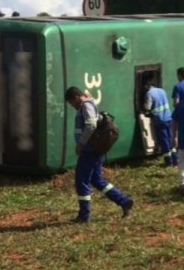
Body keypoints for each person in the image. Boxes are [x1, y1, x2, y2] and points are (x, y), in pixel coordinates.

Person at [65, 87, 134, 222]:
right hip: (94, 149)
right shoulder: (89, 104)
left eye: (71, 102)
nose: (72, 106)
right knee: (96, 180)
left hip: (89, 151)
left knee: (81, 181)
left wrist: (81, 144)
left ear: (76, 97)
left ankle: (84, 216)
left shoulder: (86, 106)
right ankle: (124, 201)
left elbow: (91, 125)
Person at [142, 74, 176, 166]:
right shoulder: (162, 90)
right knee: (170, 138)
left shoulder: (149, 94)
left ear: (146, 85)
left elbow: (147, 108)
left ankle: (169, 161)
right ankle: (175, 158)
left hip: (159, 120)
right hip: (168, 117)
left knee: (164, 140)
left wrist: (145, 111)